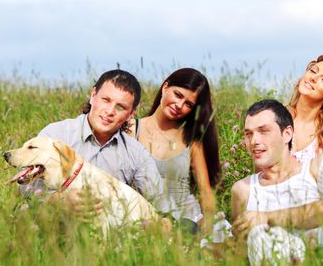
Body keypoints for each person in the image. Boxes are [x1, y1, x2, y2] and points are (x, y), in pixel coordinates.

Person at [231, 99, 323, 266]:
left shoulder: (315, 169)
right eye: (248, 134)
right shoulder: (243, 190)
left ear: (287, 134)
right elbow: (241, 254)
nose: (254, 140)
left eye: (264, 131)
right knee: (259, 235)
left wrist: (267, 217)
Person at [24, 69, 163, 214]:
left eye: (120, 107)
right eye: (106, 100)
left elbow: (159, 201)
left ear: (131, 114)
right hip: (53, 222)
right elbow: (24, 187)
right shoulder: (55, 135)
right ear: (93, 95)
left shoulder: (136, 153)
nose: (110, 111)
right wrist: (58, 201)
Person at [128, 68, 221, 232]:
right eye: (178, 95)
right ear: (165, 87)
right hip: (146, 218)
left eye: (188, 104)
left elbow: (205, 191)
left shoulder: (190, 140)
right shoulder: (130, 129)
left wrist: (208, 221)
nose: (179, 105)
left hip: (189, 220)